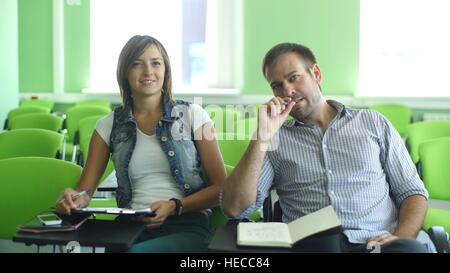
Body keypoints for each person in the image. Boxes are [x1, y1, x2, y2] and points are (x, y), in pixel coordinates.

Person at [221, 42, 433, 253]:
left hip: (374, 245)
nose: (287, 91)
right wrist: (262, 136)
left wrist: (399, 239)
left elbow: (412, 192)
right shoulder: (274, 140)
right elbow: (235, 208)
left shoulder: (373, 123)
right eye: (277, 85)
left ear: (316, 74)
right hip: (312, 247)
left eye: (293, 78)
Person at [56, 35, 226, 253]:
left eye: (156, 63)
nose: (148, 71)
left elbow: (221, 188)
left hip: (186, 223)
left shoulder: (194, 116)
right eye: (137, 64)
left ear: (166, 70)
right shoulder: (107, 126)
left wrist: (175, 206)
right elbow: (86, 189)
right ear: (125, 73)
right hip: (129, 226)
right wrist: (75, 199)